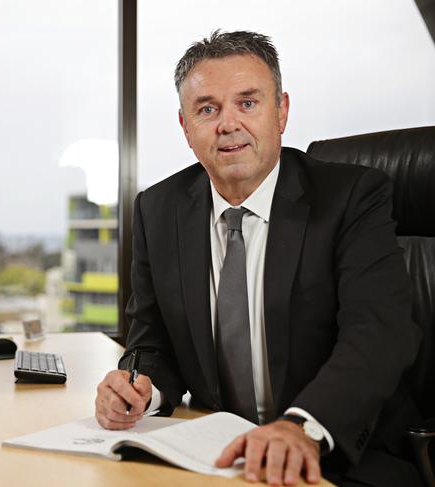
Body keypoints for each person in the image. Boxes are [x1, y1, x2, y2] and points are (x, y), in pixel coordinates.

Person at [94, 30, 423, 486]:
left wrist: (301, 426)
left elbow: (379, 333)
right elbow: (152, 341)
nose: (228, 124)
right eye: (207, 109)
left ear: (282, 111)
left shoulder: (351, 198)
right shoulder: (158, 209)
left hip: (338, 453)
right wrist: (139, 389)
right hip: (218, 454)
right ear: (185, 126)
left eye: (247, 103)